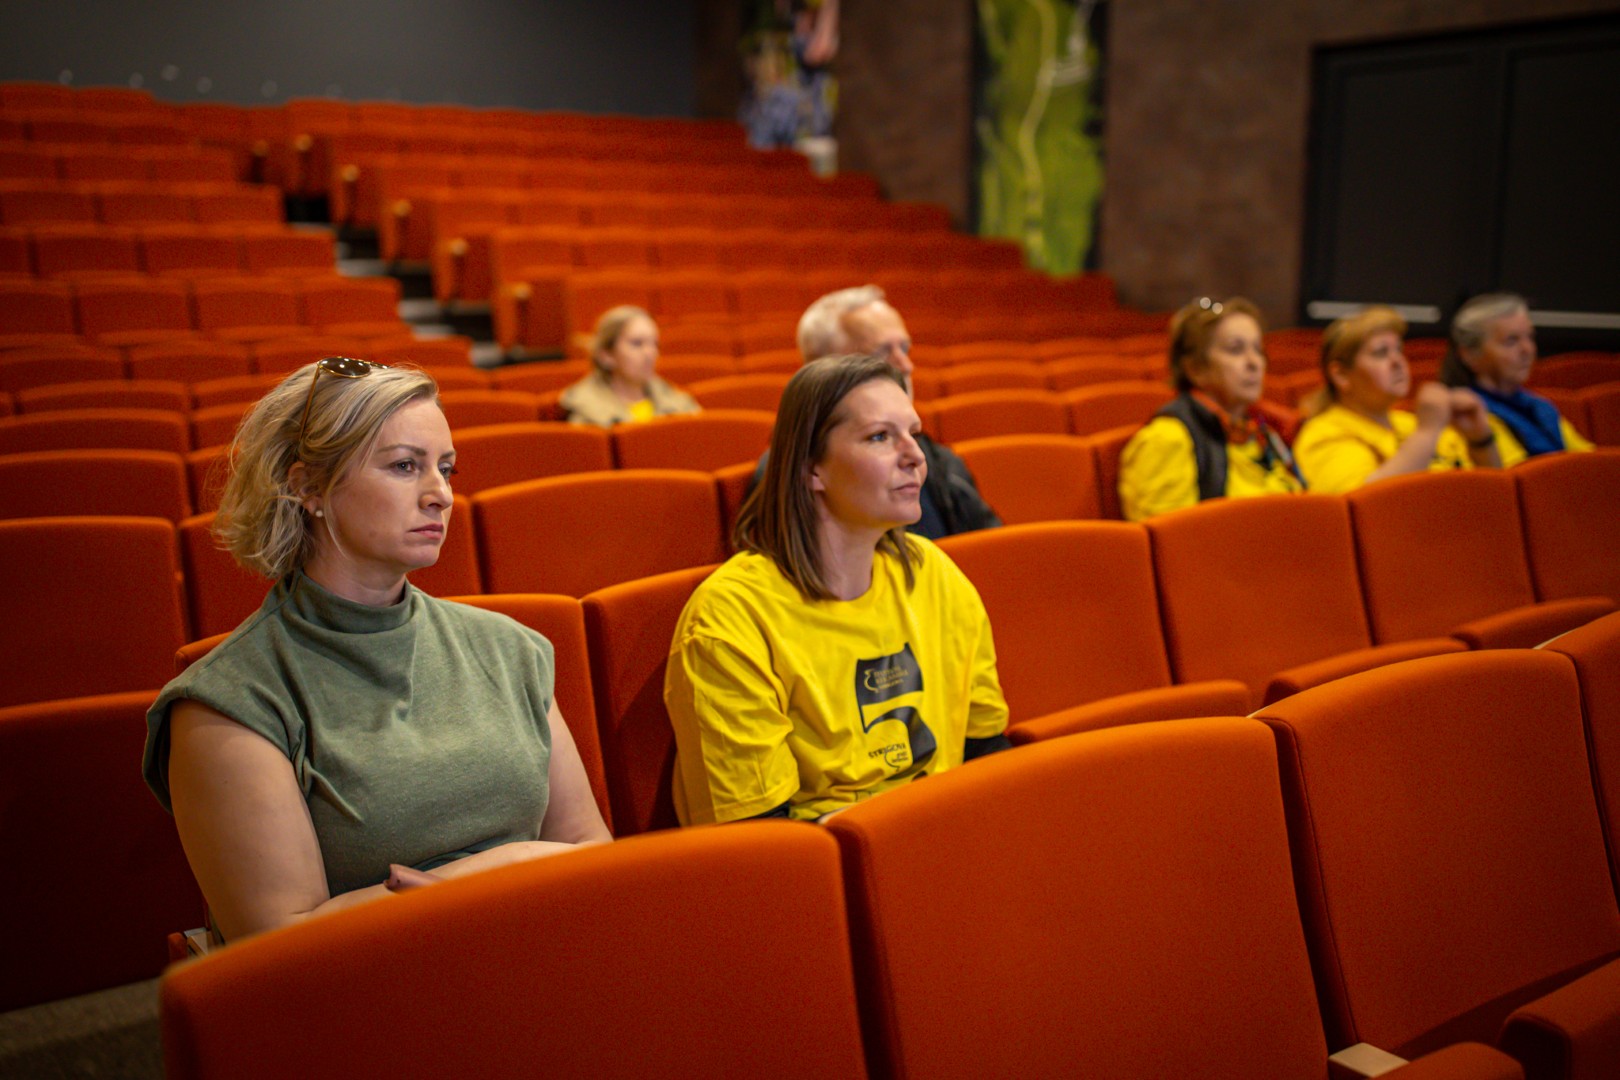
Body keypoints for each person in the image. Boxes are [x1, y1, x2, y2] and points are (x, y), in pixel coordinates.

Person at [143, 358, 611, 945]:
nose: (441, 494)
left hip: (544, 945)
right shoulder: (228, 701)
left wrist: (480, 877)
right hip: (372, 985)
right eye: (404, 466)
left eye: (445, 468)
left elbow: (592, 852)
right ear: (307, 486)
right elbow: (280, 946)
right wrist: (514, 866)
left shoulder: (510, 647)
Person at [667, 353, 1011, 825]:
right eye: (879, 436)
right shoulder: (729, 617)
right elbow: (758, 836)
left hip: (946, 835)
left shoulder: (934, 572)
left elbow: (987, 750)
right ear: (811, 468)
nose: (915, 456)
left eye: (914, 432)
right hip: (823, 860)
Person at [746, 284, 1000, 539]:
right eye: (879, 355)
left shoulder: (939, 461)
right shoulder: (787, 471)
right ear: (822, 371)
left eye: (904, 349)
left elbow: (989, 547)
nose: (906, 365)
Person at [1119, 296, 1304, 520]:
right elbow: (1172, 537)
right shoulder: (1168, 439)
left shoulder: (1262, 430)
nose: (1254, 363)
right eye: (1236, 350)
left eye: (1258, 350)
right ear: (1195, 368)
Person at [1294, 306, 1500, 493]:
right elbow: (1359, 505)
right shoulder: (1324, 433)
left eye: (1399, 350)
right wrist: (1427, 434)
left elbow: (1494, 494)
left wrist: (1479, 439)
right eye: (1381, 353)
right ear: (1340, 375)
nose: (1398, 361)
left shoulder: (1410, 422)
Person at [1439, 293, 1594, 466]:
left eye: (1530, 337)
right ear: (1469, 354)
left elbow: (1590, 464)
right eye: (1511, 341)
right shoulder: (1461, 418)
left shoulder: (1541, 408)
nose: (1527, 349)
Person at [559, 305, 699, 427]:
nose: (650, 353)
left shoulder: (680, 404)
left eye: (654, 344)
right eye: (637, 343)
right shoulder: (585, 414)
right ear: (606, 355)